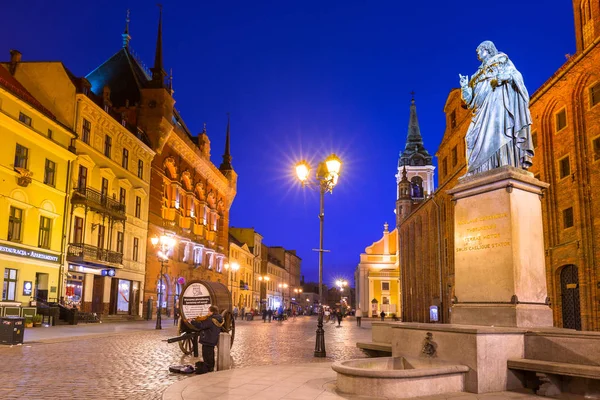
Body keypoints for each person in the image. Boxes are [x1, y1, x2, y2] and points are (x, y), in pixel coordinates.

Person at [459, 40, 533, 177]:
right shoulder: (477, 75)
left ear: (487, 49)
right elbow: (469, 101)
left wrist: (504, 77)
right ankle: (477, 170)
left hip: (497, 104)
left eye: (479, 50)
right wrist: (464, 86)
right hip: (480, 110)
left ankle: (502, 163)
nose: (478, 54)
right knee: (470, 137)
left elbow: (516, 75)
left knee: (498, 133)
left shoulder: (501, 60)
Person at [186, 305, 224, 374]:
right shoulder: (218, 319)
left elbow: (201, 325)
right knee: (211, 353)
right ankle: (210, 367)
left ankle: (208, 368)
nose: (208, 312)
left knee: (206, 354)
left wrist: (192, 321)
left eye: (209, 311)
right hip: (212, 339)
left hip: (207, 339)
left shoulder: (210, 320)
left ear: (212, 312)